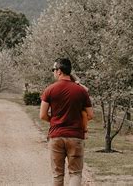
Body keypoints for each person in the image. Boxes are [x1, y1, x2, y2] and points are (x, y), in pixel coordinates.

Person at [40, 58, 93, 186]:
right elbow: (90, 115)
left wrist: (54, 121)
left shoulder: (50, 90)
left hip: (56, 136)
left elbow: (42, 115)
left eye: (54, 70)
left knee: (57, 175)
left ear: (59, 71)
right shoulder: (81, 91)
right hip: (75, 136)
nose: (53, 72)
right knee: (75, 173)